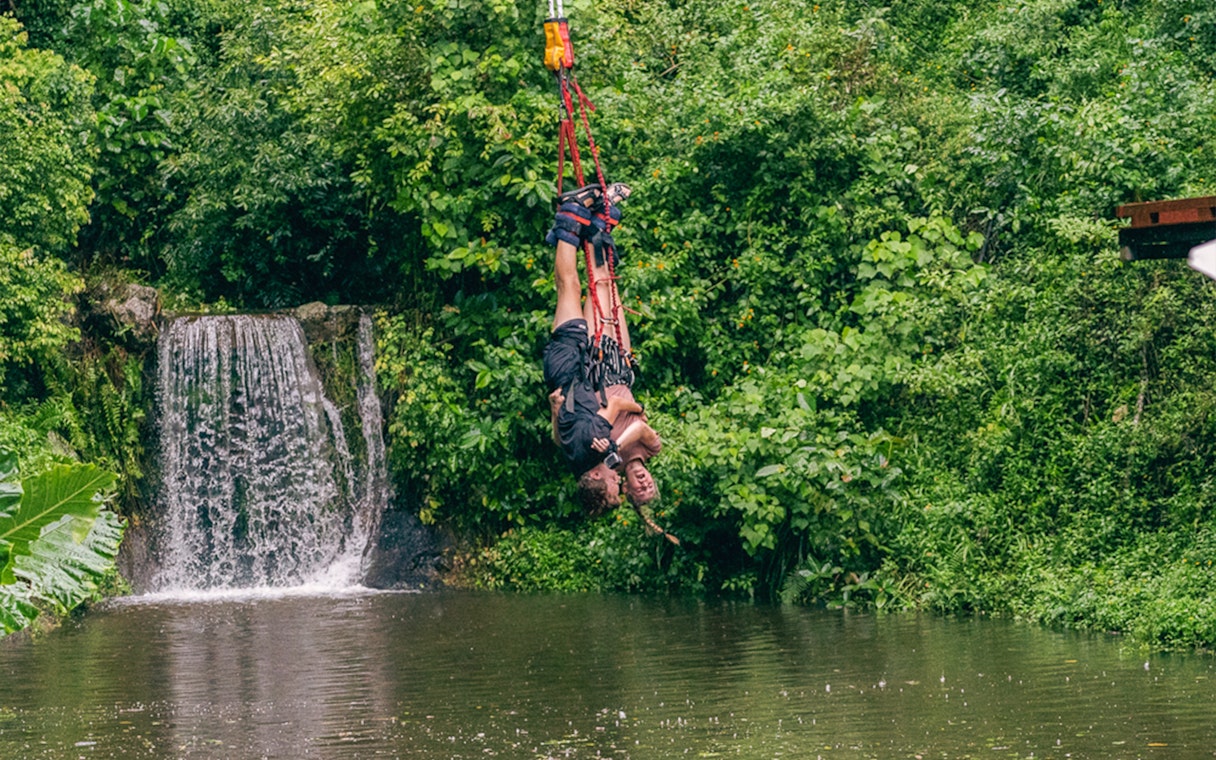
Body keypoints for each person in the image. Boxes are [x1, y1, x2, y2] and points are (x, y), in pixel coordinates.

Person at [542, 182, 662, 515]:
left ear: (597, 475)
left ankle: (571, 217)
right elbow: (559, 440)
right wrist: (555, 412)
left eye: (616, 488)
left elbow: (626, 412)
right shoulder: (582, 459)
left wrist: (614, 443)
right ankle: (594, 223)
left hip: (580, 368)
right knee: (592, 290)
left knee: (571, 287)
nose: (623, 484)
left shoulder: (599, 450)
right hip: (581, 370)